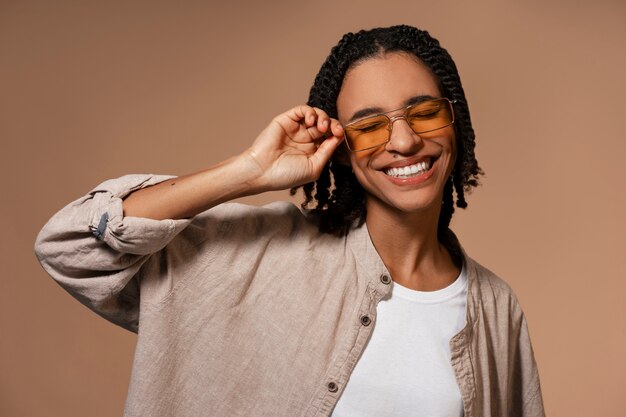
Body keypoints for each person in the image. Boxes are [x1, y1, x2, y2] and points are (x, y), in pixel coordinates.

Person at [34, 25, 545, 417]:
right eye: (368, 126)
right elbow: (68, 244)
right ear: (340, 150)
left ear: (456, 122)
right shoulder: (255, 256)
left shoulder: (495, 308)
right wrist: (248, 172)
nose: (405, 141)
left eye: (425, 112)